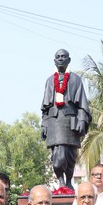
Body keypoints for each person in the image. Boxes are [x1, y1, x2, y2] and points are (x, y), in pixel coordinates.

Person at [41, 49, 91, 189]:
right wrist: (44, 125)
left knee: (70, 155)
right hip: (54, 122)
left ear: (69, 60)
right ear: (54, 61)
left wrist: (82, 120)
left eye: (63, 56)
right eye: (58, 57)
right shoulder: (50, 80)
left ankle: (68, 181)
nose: (61, 59)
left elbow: (82, 104)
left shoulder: (75, 79)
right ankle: (61, 182)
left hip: (70, 121)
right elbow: (45, 108)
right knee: (58, 157)